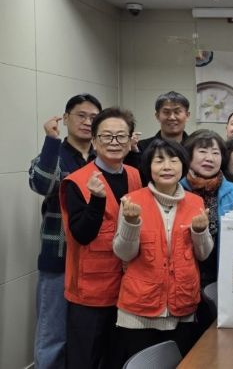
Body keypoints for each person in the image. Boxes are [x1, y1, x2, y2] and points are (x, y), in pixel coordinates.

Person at [112, 139, 212, 364]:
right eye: (159, 161)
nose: (167, 166)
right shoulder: (132, 201)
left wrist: (200, 231)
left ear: (183, 166)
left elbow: (203, 254)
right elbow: (124, 254)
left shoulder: (196, 202)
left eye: (173, 161)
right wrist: (130, 223)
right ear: (148, 167)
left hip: (182, 308)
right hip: (139, 312)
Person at [59, 107, 142, 368]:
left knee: (117, 358)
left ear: (130, 140)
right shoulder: (77, 181)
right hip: (90, 292)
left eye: (121, 136)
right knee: (84, 361)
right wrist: (96, 200)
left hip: (126, 288)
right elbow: (81, 235)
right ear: (94, 141)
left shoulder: (134, 175)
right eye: (107, 136)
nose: (114, 142)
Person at [29, 93, 101, 369]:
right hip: (59, 258)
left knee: (86, 334)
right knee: (52, 334)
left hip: (95, 261)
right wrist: (51, 140)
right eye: (81, 115)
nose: (87, 122)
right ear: (66, 117)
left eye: (94, 118)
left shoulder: (101, 157)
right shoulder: (54, 154)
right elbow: (43, 185)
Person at [180, 129, 233, 338]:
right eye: (203, 151)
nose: (209, 158)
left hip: (219, 275)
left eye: (215, 153)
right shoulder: (176, 189)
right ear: (188, 156)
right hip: (184, 275)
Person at [125, 91, 191, 181]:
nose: (172, 117)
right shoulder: (141, 148)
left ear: (187, 115)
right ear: (157, 116)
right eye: (166, 112)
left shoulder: (195, 147)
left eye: (177, 112)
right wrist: (132, 153)